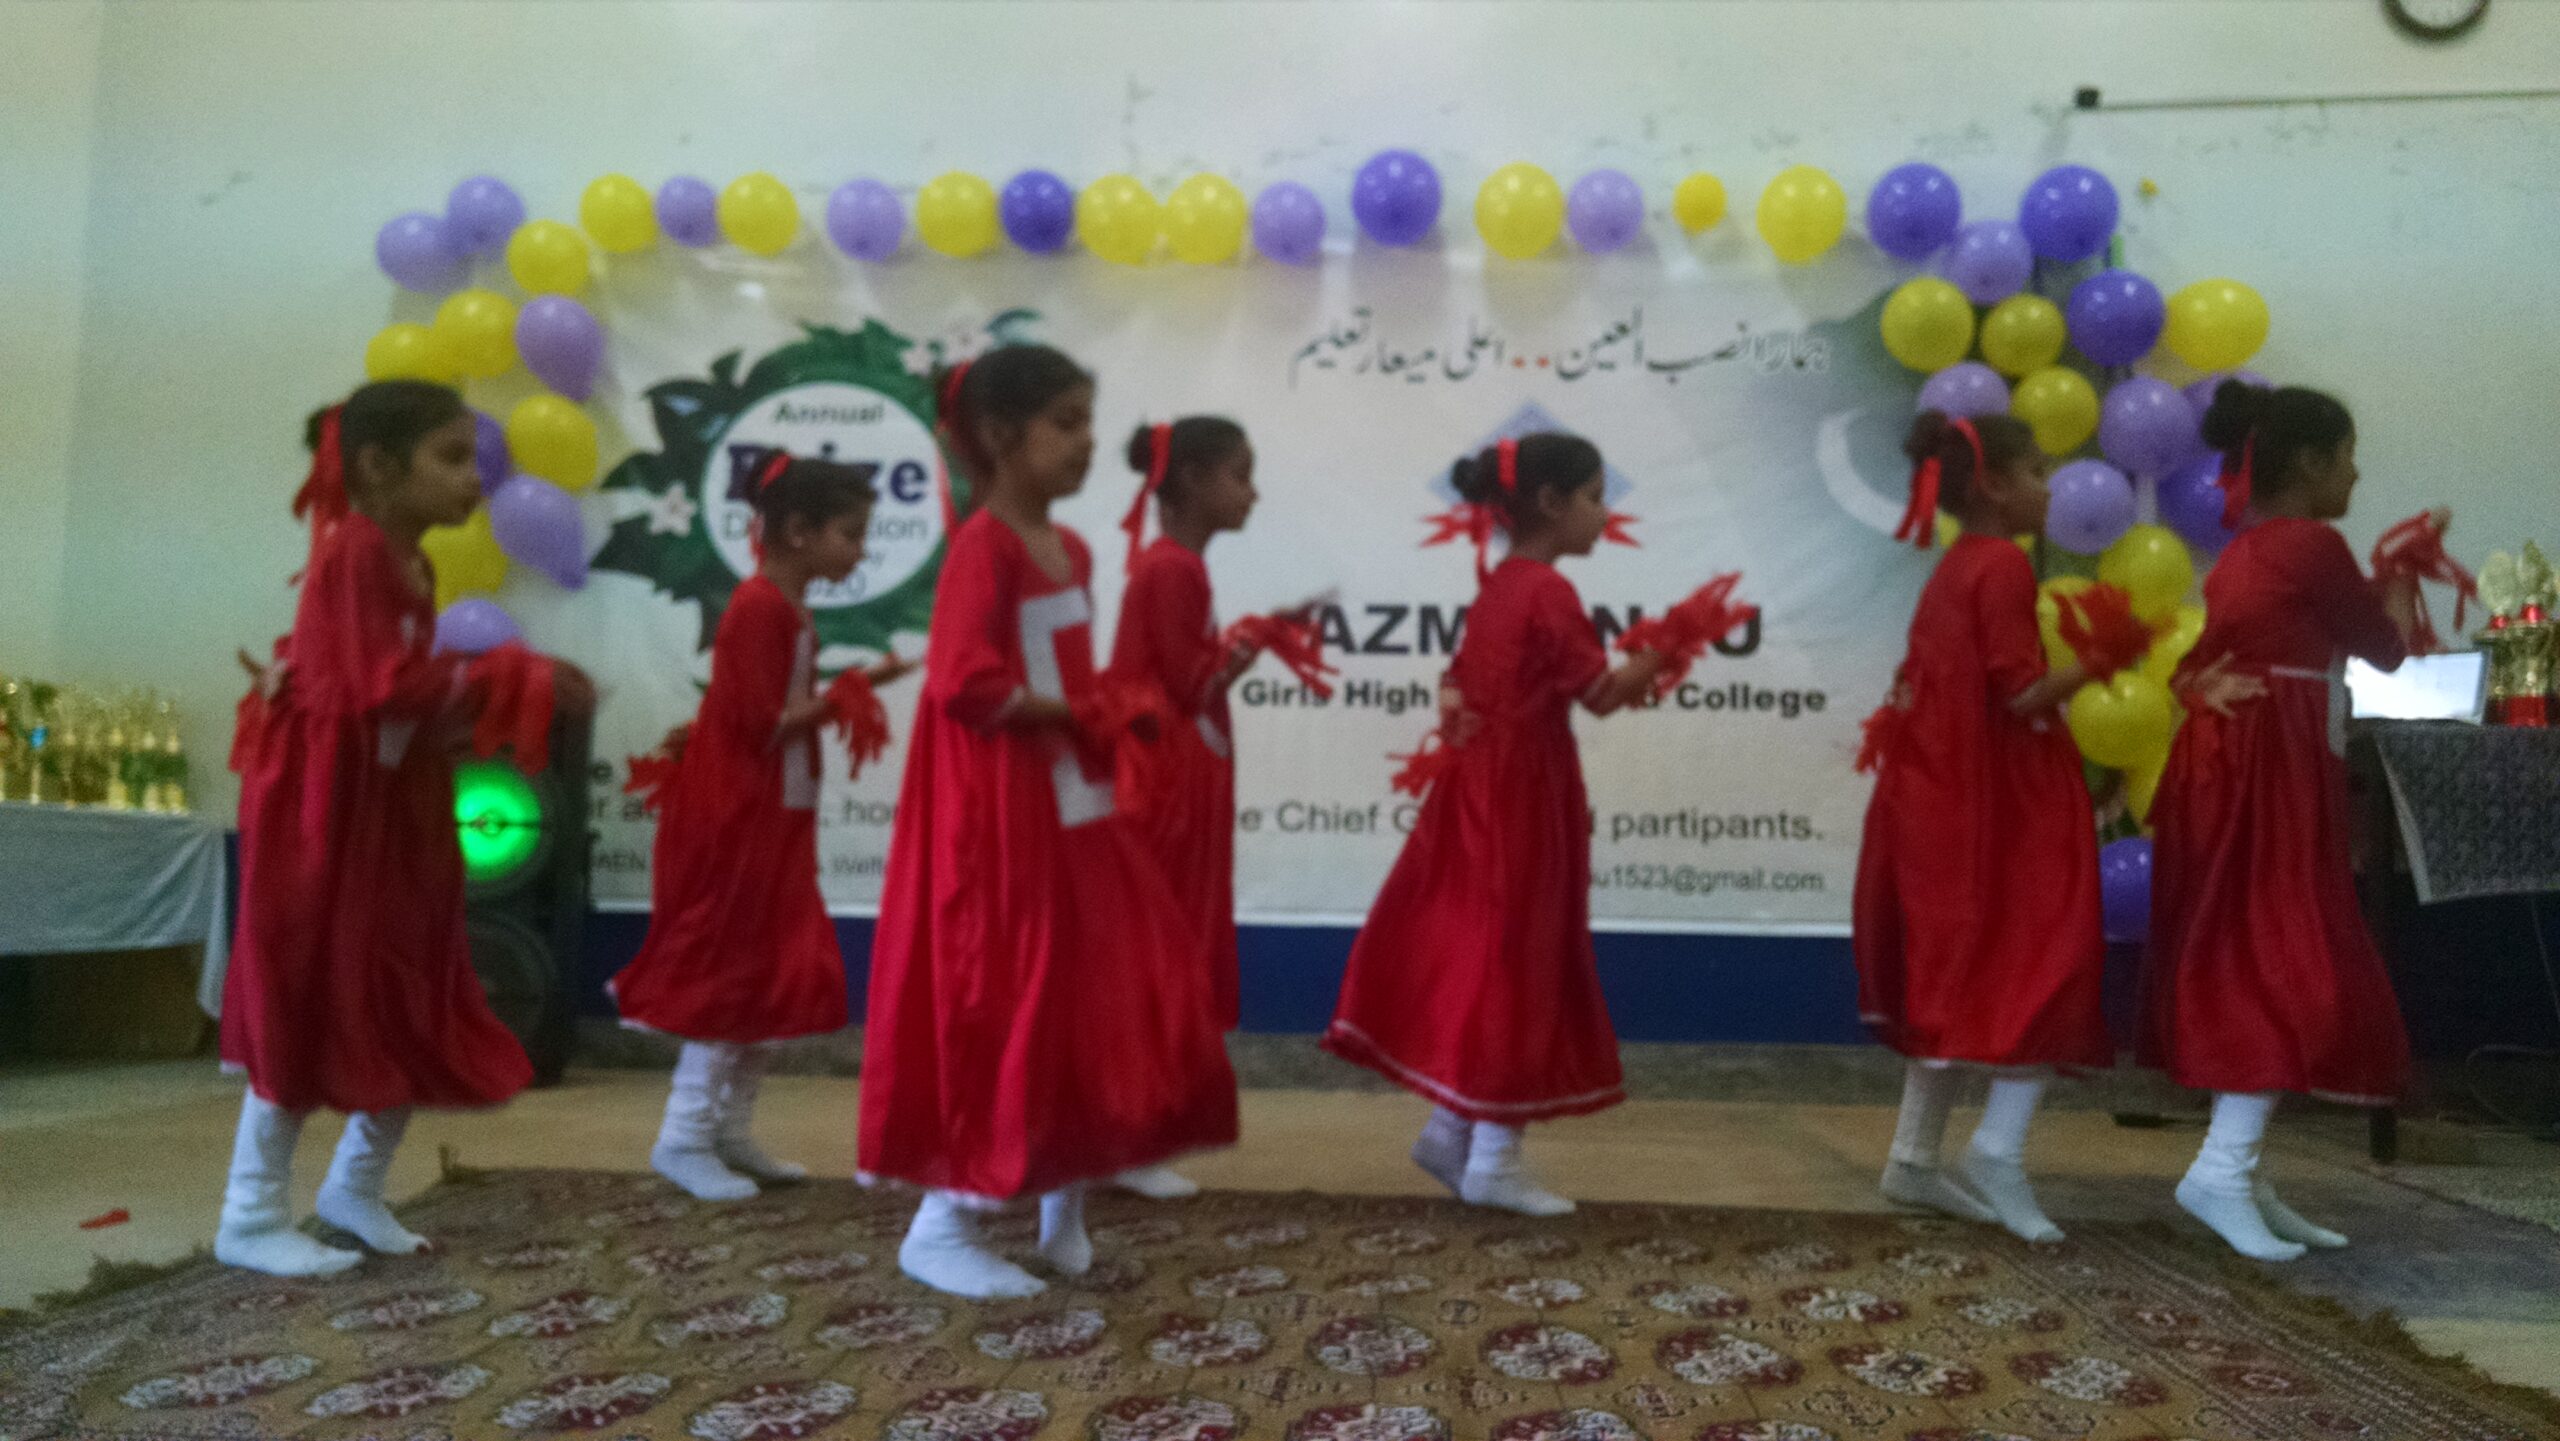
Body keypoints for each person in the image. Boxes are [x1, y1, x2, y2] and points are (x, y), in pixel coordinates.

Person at [860, 345, 1239, 1298]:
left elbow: (1068, 673)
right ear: (998, 435)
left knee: (1094, 996)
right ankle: (942, 1224)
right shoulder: (983, 547)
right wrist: (1084, 712)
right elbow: (964, 683)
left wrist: (1109, 715)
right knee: (1009, 1000)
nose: (1085, 442)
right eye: (1065, 423)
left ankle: (1063, 1216)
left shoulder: (1071, 547)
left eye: (1087, 421)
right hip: (1002, 809)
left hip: (1076, 799)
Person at [219, 380, 591, 1276]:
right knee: (312, 994)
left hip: (390, 808)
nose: (476, 479)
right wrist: (515, 676)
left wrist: (476, 704)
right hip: (330, 814)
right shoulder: (354, 552)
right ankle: (250, 1213)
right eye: (453, 457)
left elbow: (395, 697)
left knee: (408, 991)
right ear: (381, 467)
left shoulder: (410, 561)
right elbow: (376, 689)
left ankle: (354, 1186)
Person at [1323, 433, 1686, 1218]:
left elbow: (1457, 684)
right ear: (1551, 503)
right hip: (1520, 797)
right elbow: (1600, 694)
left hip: (1481, 790)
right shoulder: (1547, 590)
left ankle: (1453, 1131)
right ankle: (1494, 1157)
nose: (1605, 513)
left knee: (1496, 956)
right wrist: (1669, 647)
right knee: (1520, 961)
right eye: (1595, 496)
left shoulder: (1500, 585)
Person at [2143, 381, 2433, 1261]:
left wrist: (2201, 687)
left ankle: (2245, 1170)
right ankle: (2222, 1169)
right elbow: (2387, 649)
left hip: (2241, 764)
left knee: (2255, 951)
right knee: (2285, 956)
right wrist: (2403, 574)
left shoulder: (2245, 551)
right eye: (2347, 457)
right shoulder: (2313, 544)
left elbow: (2192, 669)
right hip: (2272, 770)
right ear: (2309, 463)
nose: (2356, 473)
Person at [610, 453, 914, 1201]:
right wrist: (857, 688)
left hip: (778, 810)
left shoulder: (788, 607)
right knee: (732, 973)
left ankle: (730, 1128)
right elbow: (761, 723)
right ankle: (683, 1137)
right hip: (741, 815)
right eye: (851, 534)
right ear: (799, 531)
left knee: (772, 973)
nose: (860, 551)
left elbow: (752, 712)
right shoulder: (759, 606)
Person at [1852, 411, 2111, 1244]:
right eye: (2037, 471)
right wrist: (2099, 660)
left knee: (1961, 981)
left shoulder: (1958, 564)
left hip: (1947, 799)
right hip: (1997, 803)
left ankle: (1913, 1157)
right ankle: (1999, 1149)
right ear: (1994, 484)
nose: (2051, 488)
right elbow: (2019, 693)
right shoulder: (2001, 562)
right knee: (2049, 963)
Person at [1103, 417, 1261, 1201]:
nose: (1252, 493)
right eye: (1240, 475)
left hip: (1175, 780)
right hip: (1161, 788)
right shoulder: (1172, 570)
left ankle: (1135, 1130)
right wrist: (1244, 651)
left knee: (1165, 955)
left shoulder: (1177, 567)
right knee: (1156, 957)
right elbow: (1189, 686)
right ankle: (1126, 1136)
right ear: (1193, 481)